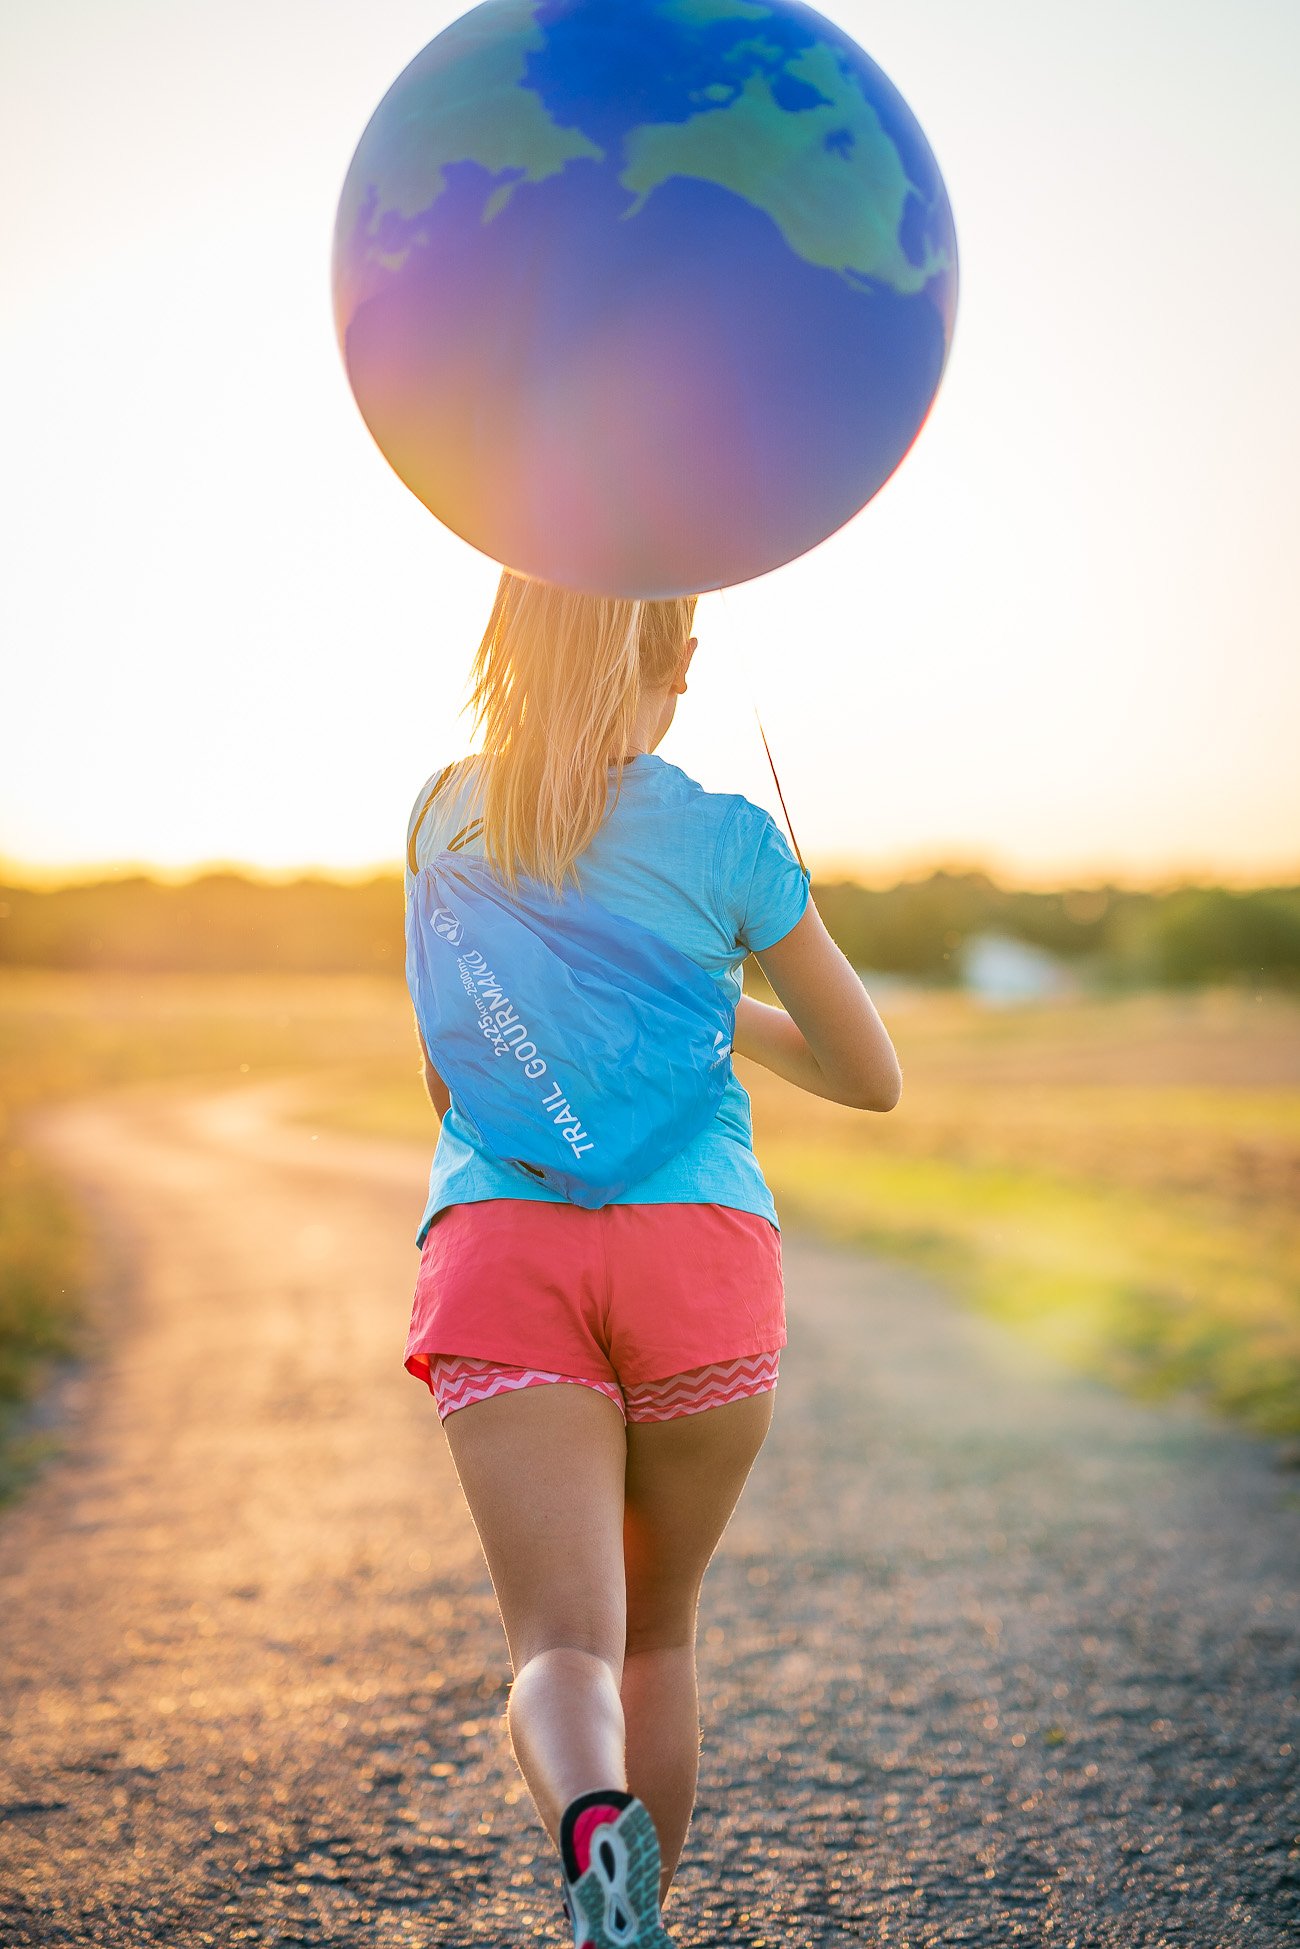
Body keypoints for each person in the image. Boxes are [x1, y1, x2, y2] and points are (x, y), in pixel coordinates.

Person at [402, 572, 902, 1948]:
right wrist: (705, 996)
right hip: (701, 1258)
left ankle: (587, 1819)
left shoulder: (446, 813)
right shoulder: (733, 844)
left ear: (506, 642)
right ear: (679, 658)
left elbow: (454, 1084)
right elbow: (873, 1078)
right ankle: (633, 1932)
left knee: (561, 1642)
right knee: (658, 1633)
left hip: (505, 1250)